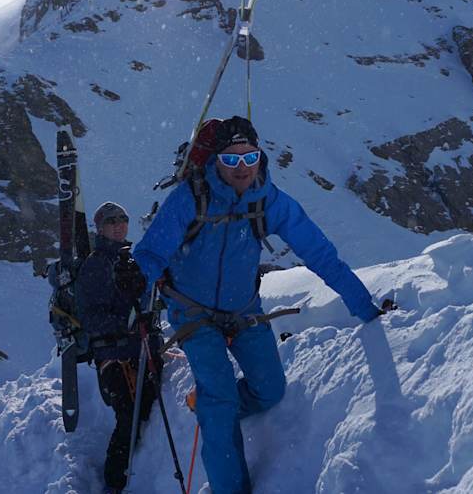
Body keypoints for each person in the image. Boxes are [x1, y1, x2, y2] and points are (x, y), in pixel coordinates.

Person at [133, 116, 383, 494]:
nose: (243, 168)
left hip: (244, 309)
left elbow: (321, 255)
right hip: (192, 312)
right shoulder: (191, 197)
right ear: (216, 161)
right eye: (231, 160)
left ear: (260, 156)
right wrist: (135, 285)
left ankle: (213, 406)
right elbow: (152, 252)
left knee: (270, 390)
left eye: (250, 157)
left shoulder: (268, 201)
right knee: (218, 399)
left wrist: (366, 309)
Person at [76, 201, 160, 493]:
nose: (118, 225)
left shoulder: (132, 260)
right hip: (114, 357)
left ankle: (126, 477)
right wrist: (126, 324)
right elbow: (90, 316)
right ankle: (115, 482)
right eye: (111, 221)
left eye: (122, 219)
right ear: (99, 228)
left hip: (139, 349)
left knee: (142, 412)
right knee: (130, 415)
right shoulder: (96, 264)